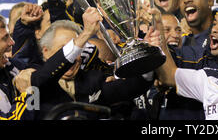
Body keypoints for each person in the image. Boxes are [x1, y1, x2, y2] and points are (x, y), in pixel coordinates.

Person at [14, 7, 155, 119]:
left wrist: (147, 59)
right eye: (66, 49)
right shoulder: (32, 77)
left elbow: (128, 88)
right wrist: (85, 34)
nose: (74, 58)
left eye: (78, 51)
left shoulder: (92, 79)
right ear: (45, 51)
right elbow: (43, 78)